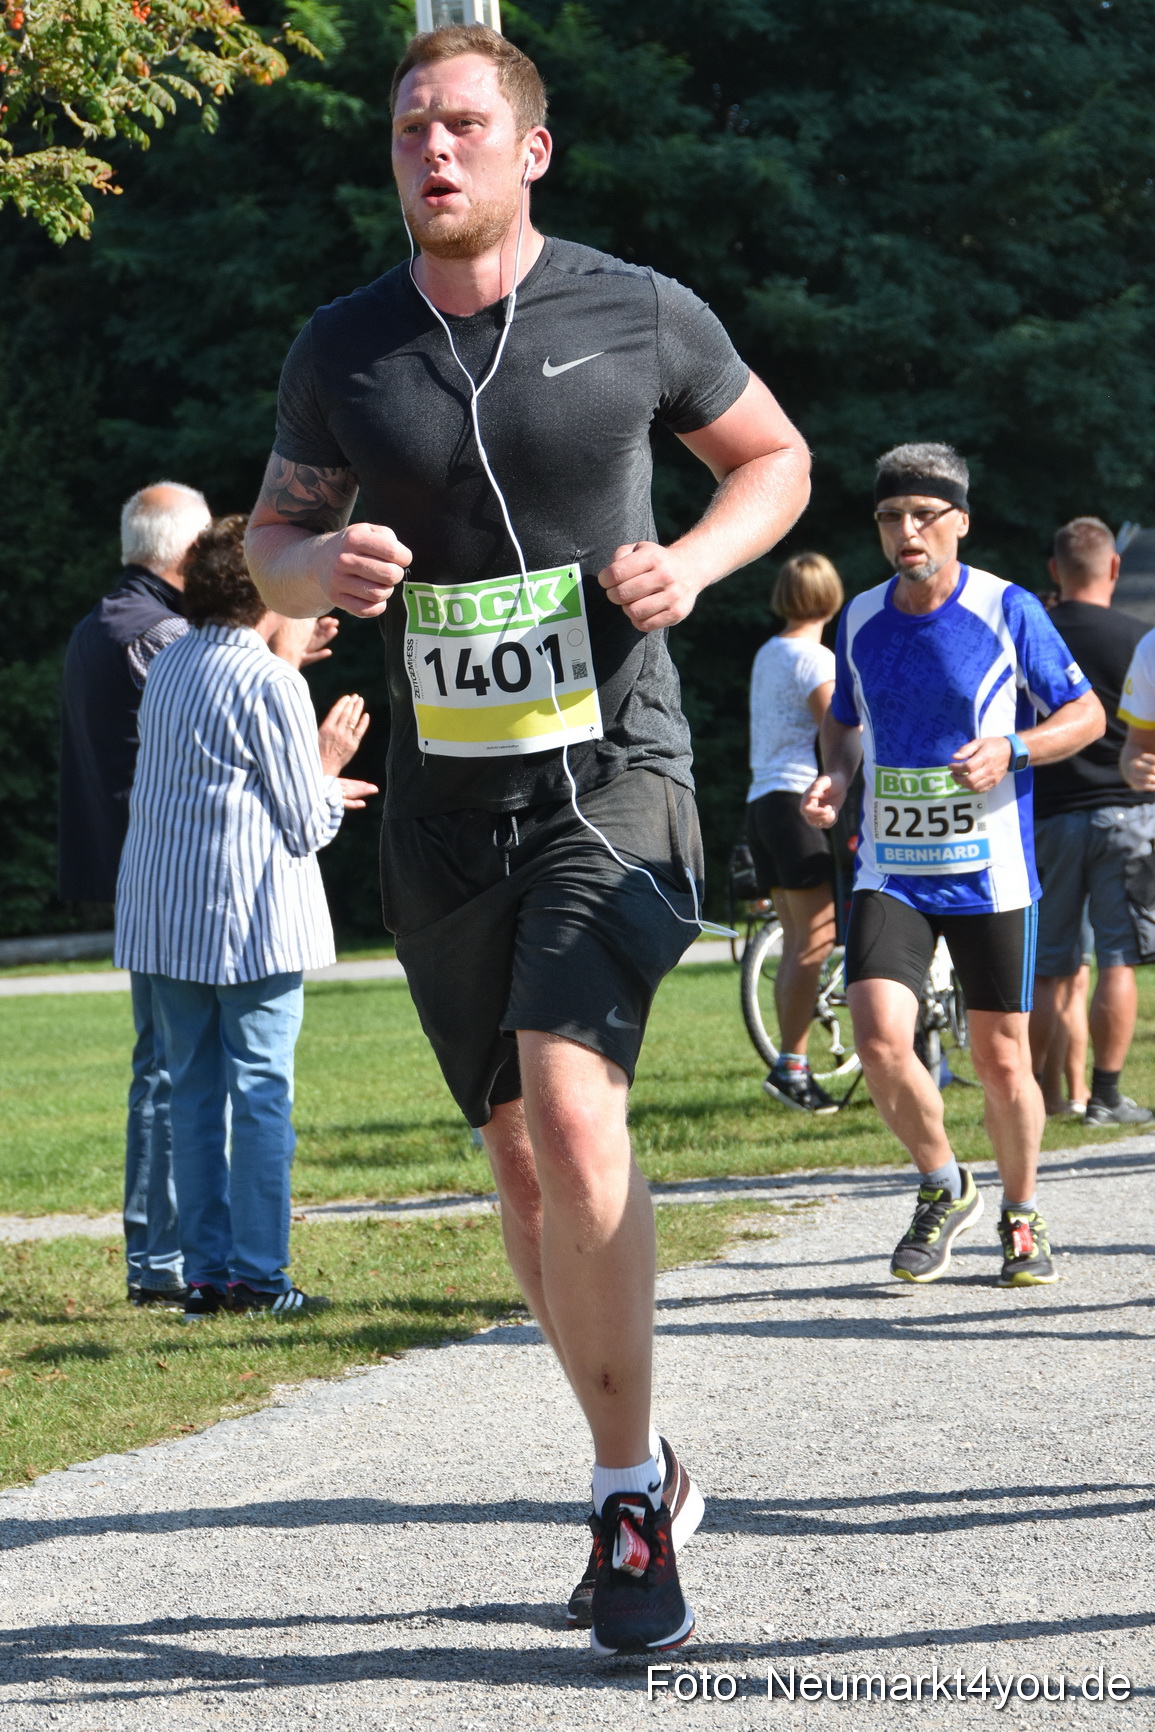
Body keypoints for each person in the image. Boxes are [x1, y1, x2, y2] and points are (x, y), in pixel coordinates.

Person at [244, 23, 810, 1655]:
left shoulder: (635, 309)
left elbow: (773, 459)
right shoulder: (343, 347)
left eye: (465, 123)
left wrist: (693, 564)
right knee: (514, 1157)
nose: (434, 149)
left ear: (531, 150)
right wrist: (313, 570)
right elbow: (270, 535)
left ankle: (625, 1498)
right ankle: (640, 1451)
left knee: (572, 1112)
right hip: (447, 807)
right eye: (411, 126)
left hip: (615, 773)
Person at [803, 442, 1104, 1287]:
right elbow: (845, 718)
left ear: (958, 523)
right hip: (889, 866)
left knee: (1002, 1057)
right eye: (890, 517)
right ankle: (943, 1184)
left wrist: (1012, 749)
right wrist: (834, 774)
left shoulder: (1007, 609)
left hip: (988, 869)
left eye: (922, 516)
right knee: (876, 1038)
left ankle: (1020, 1214)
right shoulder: (859, 615)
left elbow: (1084, 717)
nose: (906, 531)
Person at [114, 517, 377, 1322]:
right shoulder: (270, 682)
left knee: (193, 1099)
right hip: (251, 920)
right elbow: (304, 824)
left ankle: (206, 1278)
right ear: (266, 592)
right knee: (261, 1097)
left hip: (164, 919)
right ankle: (262, 1279)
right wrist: (328, 769)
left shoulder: (173, 663)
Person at [59, 482, 212, 1309]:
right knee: (169, 1068)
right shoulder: (162, 634)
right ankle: (159, 1260)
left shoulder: (102, 623)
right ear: (185, 553)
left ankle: (162, 1255)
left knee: (163, 1063)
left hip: (129, 875)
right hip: (166, 875)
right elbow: (209, 738)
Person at [1029, 518, 1154, 1127]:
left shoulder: (1032, 632)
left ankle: (1036, 1096)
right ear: (1113, 569)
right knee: (1117, 959)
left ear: (1055, 570)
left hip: (1046, 817)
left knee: (1049, 965)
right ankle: (1105, 1095)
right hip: (1124, 815)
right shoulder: (1139, 636)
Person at [747, 551, 843, 1112]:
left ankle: (790, 1062)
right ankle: (793, 1067)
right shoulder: (815, 658)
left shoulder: (769, 652)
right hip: (799, 801)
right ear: (831, 597)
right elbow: (842, 732)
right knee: (816, 942)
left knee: (797, 943)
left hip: (763, 803)